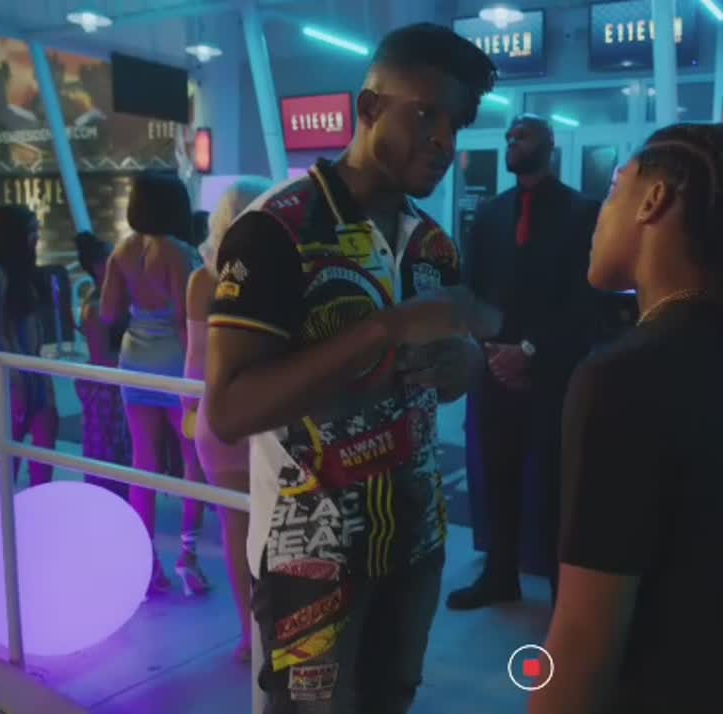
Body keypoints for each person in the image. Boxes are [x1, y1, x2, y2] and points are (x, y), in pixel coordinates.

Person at [201, 23, 500, 713]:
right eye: (425, 115)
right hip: (312, 553)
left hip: (417, 540)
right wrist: (384, 329)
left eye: (455, 125)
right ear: (368, 109)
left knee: (392, 699)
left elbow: (450, 379)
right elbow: (229, 412)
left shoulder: (432, 243)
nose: (444, 141)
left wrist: (462, 363)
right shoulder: (276, 229)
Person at [528, 124, 723, 714]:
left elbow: (584, 638)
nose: (599, 215)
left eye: (613, 191)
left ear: (653, 200)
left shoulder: (625, 377)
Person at [447, 114, 599, 611]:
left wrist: (530, 351)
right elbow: (473, 289)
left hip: (554, 373)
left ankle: (561, 592)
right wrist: (491, 351)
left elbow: (586, 299)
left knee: (557, 486)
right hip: (495, 372)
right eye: (510, 137)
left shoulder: (581, 212)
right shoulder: (491, 213)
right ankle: (500, 575)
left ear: (549, 146)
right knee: (498, 478)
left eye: (524, 136)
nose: (513, 142)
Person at [101, 171, 210, 598]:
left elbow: (109, 314)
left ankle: (146, 563)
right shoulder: (181, 253)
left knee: (142, 462)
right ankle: (188, 556)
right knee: (191, 461)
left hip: (134, 361)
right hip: (176, 363)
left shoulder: (121, 251)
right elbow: (187, 321)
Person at [183, 176, 271, 662]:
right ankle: (280, 632)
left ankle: (248, 634)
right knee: (279, 531)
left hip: (218, 415)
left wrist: (190, 410)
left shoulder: (204, 278)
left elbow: (195, 359)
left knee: (235, 530)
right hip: (270, 411)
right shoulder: (280, 272)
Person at [0, 206, 59, 487]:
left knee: (46, 426)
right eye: (31, 230)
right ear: (14, 235)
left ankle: (40, 494)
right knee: (13, 434)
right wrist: (15, 379)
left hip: (29, 360)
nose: (37, 236)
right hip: (8, 364)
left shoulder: (18, 269)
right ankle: (2, 498)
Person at [73, 231, 131, 499]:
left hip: (118, 385)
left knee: (120, 452)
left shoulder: (114, 299)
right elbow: (101, 358)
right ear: (99, 267)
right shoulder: (95, 307)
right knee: (108, 453)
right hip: (107, 390)